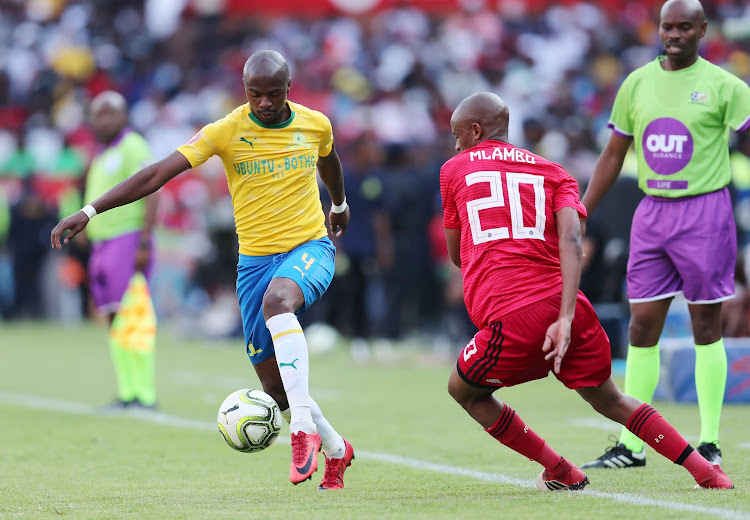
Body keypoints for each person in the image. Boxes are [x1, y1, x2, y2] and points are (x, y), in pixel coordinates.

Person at [51, 50, 355, 490]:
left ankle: (302, 430)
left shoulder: (314, 123)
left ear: (289, 89)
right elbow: (157, 174)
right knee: (276, 390)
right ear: (245, 91)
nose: (264, 103)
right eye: (255, 95)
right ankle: (337, 449)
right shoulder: (228, 129)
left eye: (273, 94)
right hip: (253, 264)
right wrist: (90, 209)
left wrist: (340, 204)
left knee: (279, 302)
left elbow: (328, 159)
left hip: (309, 247)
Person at [441, 91, 733, 491]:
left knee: (465, 391)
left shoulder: (454, 169)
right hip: (571, 308)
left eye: (458, 134)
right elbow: (573, 240)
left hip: (513, 315)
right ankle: (706, 471)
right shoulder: (555, 171)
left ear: (475, 130)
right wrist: (564, 316)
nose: (456, 144)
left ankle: (560, 469)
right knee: (611, 398)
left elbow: (457, 256)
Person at [580, 0, 750, 469]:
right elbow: (614, 154)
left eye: (683, 27)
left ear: (702, 30)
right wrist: (582, 209)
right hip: (652, 212)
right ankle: (631, 445)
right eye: (666, 27)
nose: (673, 35)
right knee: (640, 326)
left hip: (705, 213)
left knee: (705, 326)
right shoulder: (637, 83)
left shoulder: (725, 86)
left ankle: (710, 440)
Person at [82, 91, 159, 410]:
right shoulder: (101, 154)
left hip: (127, 240)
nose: (104, 120)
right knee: (115, 319)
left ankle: (145, 393)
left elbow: (153, 191)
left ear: (124, 117)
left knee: (134, 318)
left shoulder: (133, 146)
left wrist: (143, 241)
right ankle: (128, 392)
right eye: (98, 114)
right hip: (103, 245)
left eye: (110, 113)